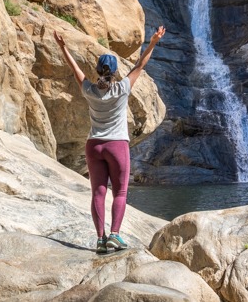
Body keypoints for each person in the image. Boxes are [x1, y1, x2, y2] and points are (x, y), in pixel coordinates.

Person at [53, 25, 166, 254]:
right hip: (117, 145)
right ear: (115, 72)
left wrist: (63, 47)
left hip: (94, 145)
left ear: (97, 70)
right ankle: (114, 235)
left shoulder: (89, 90)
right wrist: (153, 42)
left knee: (98, 192)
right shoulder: (122, 89)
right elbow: (140, 65)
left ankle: (100, 239)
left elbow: (75, 69)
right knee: (120, 192)